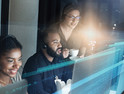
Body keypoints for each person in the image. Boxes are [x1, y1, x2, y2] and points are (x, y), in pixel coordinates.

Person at [22, 29, 72, 94]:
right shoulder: (33, 64)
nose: (60, 45)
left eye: (59, 42)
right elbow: (37, 92)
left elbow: (70, 79)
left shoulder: (59, 59)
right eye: (55, 42)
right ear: (44, 46)